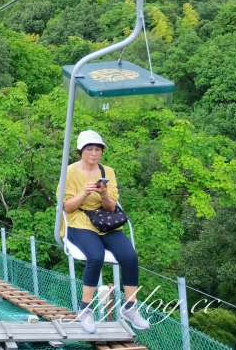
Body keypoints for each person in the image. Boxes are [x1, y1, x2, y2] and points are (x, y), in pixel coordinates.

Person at [59, 130, 150, 334]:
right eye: (89, 149)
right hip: (79, 220)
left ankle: (130, 307)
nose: (94, 153)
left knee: (130, 256)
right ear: (81, 151)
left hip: (104, 220)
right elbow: (66, 207)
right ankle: (85, 309)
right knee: (96, 255)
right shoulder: (70, 172)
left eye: (98, 149)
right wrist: (84, 193)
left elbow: (111, 207)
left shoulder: (107, 171)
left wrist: (103, 194)